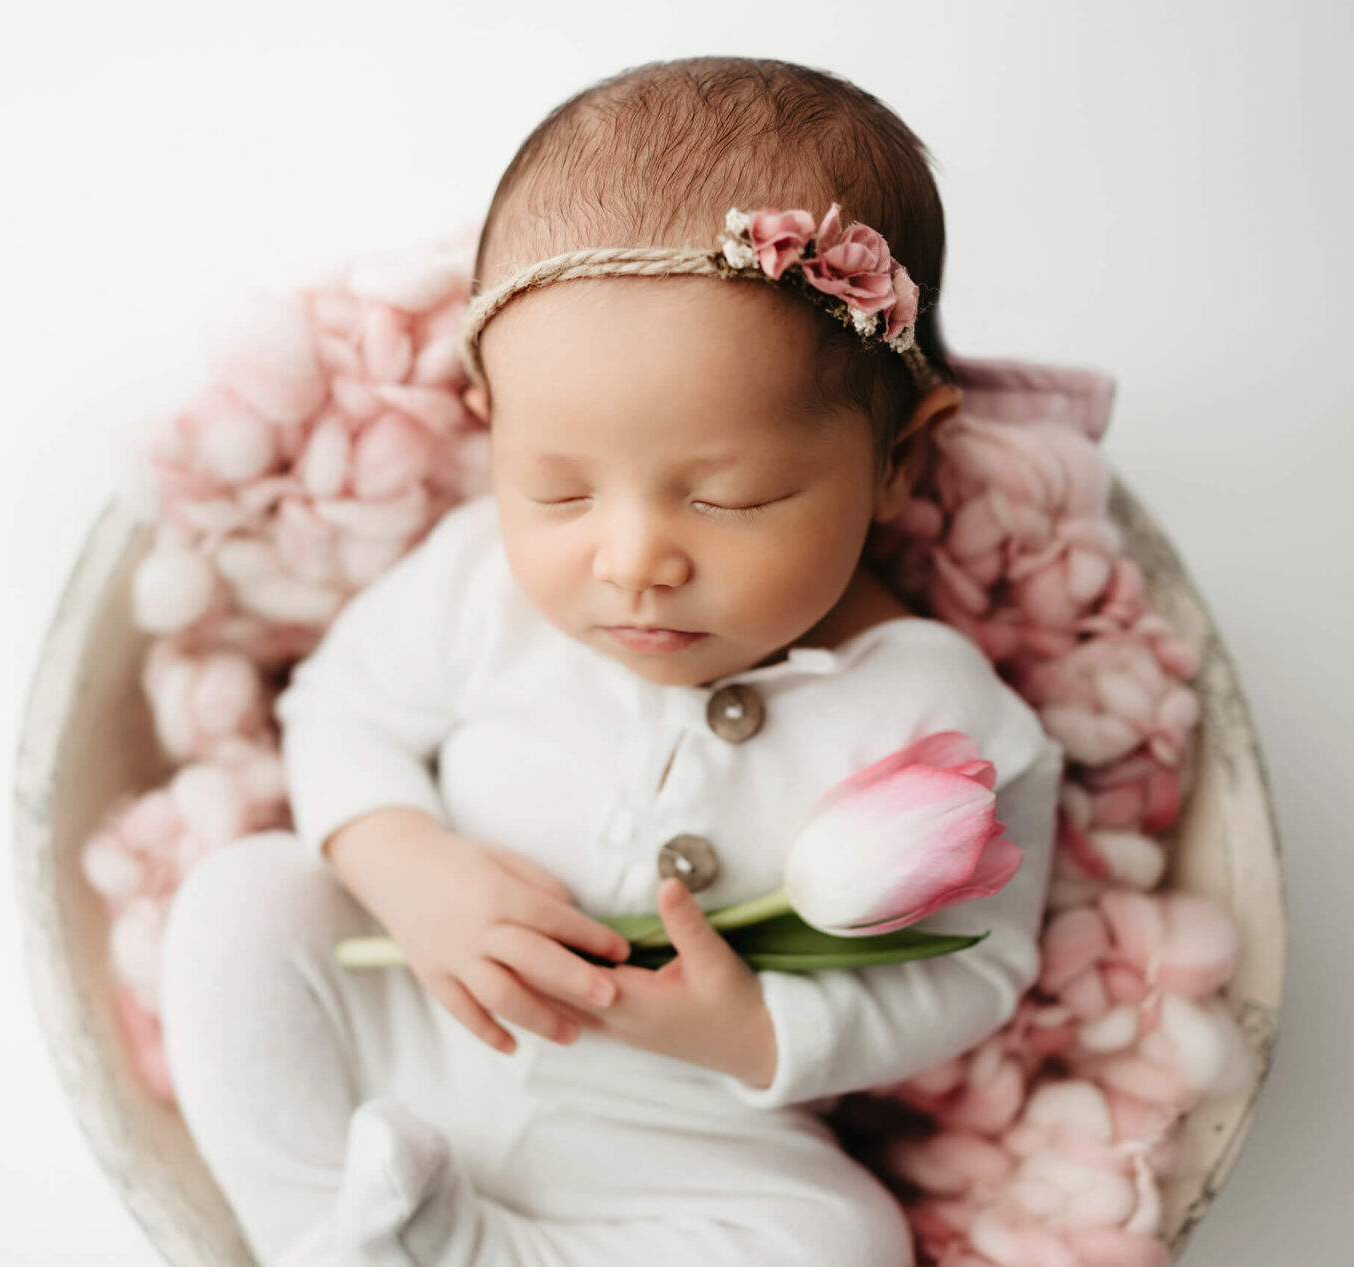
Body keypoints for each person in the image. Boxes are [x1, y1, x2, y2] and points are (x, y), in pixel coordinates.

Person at [159, 55, 1064, 1267]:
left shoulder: (939, 717)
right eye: (560, 487)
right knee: (242, 901)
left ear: (897, 459)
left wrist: (753, 1032)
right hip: (407, 1018)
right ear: (488, 420)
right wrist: (407, 865)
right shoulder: (477, 579)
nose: (633, 560)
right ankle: (320, 1229)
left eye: (730, 498)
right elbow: (342, 708)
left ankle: (462, 1249)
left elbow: (982, 965)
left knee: (841, 1240)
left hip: (674, 1126)